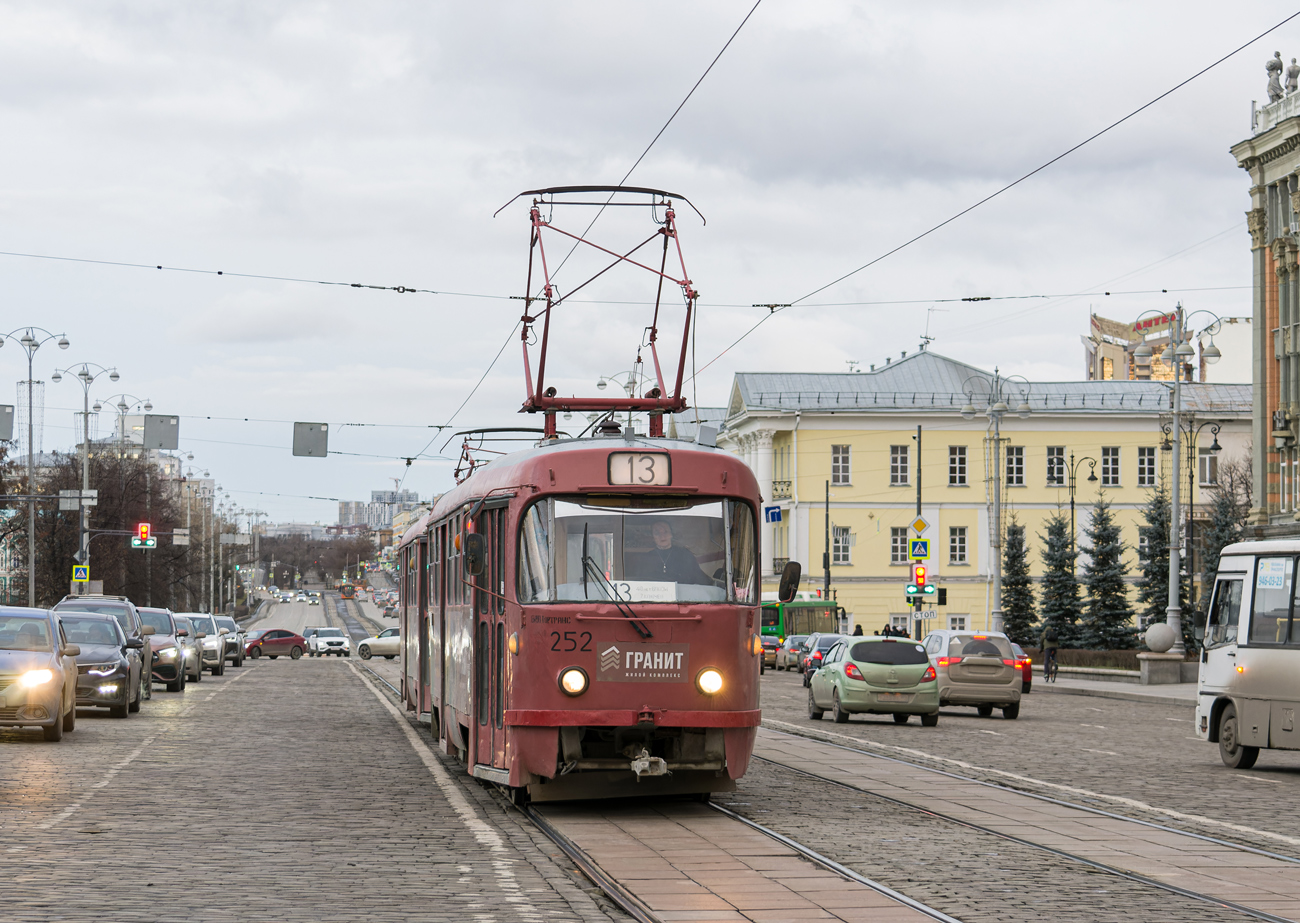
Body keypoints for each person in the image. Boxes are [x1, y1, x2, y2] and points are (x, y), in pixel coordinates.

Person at [625, 520, 712, 585]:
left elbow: (698, 580)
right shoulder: (646, 559)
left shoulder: (685, 555)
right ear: (652, 537)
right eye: (657, 533)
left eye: (665, 532)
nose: (662, 536)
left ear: (671, 534)